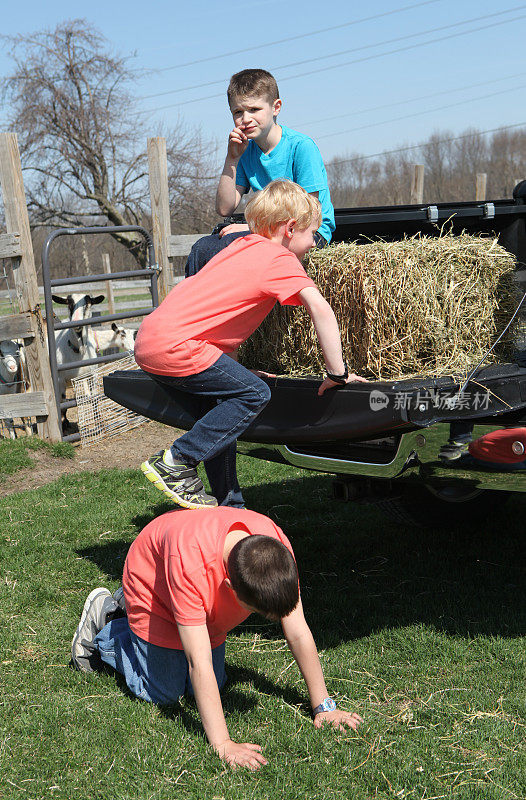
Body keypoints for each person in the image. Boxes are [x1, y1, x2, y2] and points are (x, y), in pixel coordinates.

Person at [70, 507, 363, 770]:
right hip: (154, 587)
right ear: (229, 589)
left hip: (197, 596)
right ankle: (111, 622)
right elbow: (198, 662)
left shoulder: (275, 548)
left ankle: (147, 619)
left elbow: (298, 630)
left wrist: (324, 706)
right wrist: (223, 744)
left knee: (212, 686)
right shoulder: (190, 563)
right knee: (165, 694)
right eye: (258, 612)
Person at [134, 180, 367, 510]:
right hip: (179, 345)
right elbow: (321, 309)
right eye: (312, 234)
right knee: (254, 393)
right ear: (289, 229)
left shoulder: (239, 248)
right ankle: (176, 461)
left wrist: (234, 370)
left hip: (151, 339)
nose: (315, 244)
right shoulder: (279, 259)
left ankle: (230, 506)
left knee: (220, 417)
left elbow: (215, 319)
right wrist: (338, 373)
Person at [185, 68, 335, 278]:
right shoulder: (245, 152)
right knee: (202, 248)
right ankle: (199, 309)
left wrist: (253, 228)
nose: (245, 118)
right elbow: (224, 208)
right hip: (269, 233)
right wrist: (232, 159)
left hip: (307, 233)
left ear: (276, 107)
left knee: (220, 247)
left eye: (254, 109)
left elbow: (309, 215)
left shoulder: (301, 147)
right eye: (238, 112)